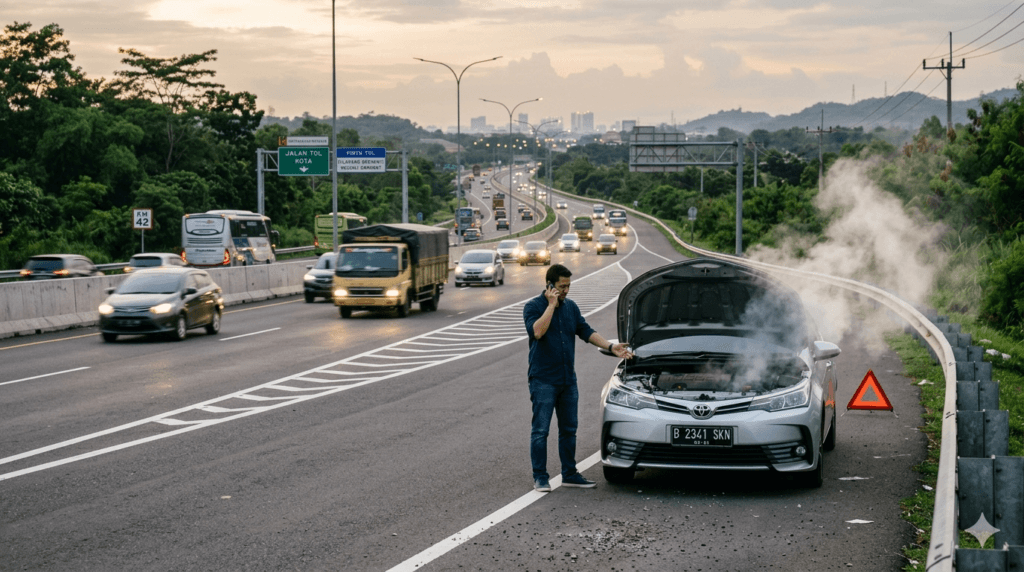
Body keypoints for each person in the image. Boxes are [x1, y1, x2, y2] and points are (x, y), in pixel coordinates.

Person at [523, 264, 633, 492]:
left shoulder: (571, 308)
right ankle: (540, 477)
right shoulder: (533, 306)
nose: (566, 291)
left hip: (567, 380)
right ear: (550, 285)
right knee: (541, 430)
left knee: (569, 429)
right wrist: (551, 306)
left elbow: (586, 331)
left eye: (568, 286)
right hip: (543, 380)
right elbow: (537, 332)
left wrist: (611, 347)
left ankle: (569, 474)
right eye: (562, 287)